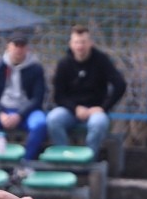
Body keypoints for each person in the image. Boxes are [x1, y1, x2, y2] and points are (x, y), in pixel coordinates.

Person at [46, 25, 127, 156]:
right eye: (77, 42)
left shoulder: (102, 60)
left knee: (99, 123)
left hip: (95, 110)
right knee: (53, 119)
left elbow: (120, 85)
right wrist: (75, 108)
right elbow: (58, 96)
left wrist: (103, 107)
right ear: (71, 44)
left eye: (83, 42)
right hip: (71, 110)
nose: (80, 46)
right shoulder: (64, 64)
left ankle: (88, 159)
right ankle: (64, 156)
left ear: (90, 43)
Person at [0, 33, 48, 166]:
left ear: (27, 49)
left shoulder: (35, 68)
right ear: (8, 47)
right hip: (2, 110)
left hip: (26, 113)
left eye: (22, 46)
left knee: (40, 124)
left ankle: (25, 164)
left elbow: (37, 98)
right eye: (16, 45)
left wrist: (19, 115)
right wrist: (0, 113)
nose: (19, 49)